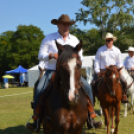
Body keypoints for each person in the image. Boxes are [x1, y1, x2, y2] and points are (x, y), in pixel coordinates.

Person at [26, 14, 102, 132]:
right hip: (52, 71)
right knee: (40, 88)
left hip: (71, 72)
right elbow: (40, 55)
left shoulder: (75, 40)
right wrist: (51, 55)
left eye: (68, 24)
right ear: (58, 25)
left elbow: (79, 56)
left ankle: (91, 116)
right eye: (63, 24)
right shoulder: (49, 38)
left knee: (87, 87)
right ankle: (36, 119)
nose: (66, 26)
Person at [92, 32, 128, 103]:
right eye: (106, 40)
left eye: (109, 40)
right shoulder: (100, 50)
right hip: (102, 71)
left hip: (114, 71)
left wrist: (120, 70)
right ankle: (93, 99)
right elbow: (96, 61)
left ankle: (124, 96)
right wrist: (97, 71)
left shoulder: (117, 50)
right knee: (93, 83)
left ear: (112, 41)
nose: (107, 42)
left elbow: (120, 62)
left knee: (124, 81)